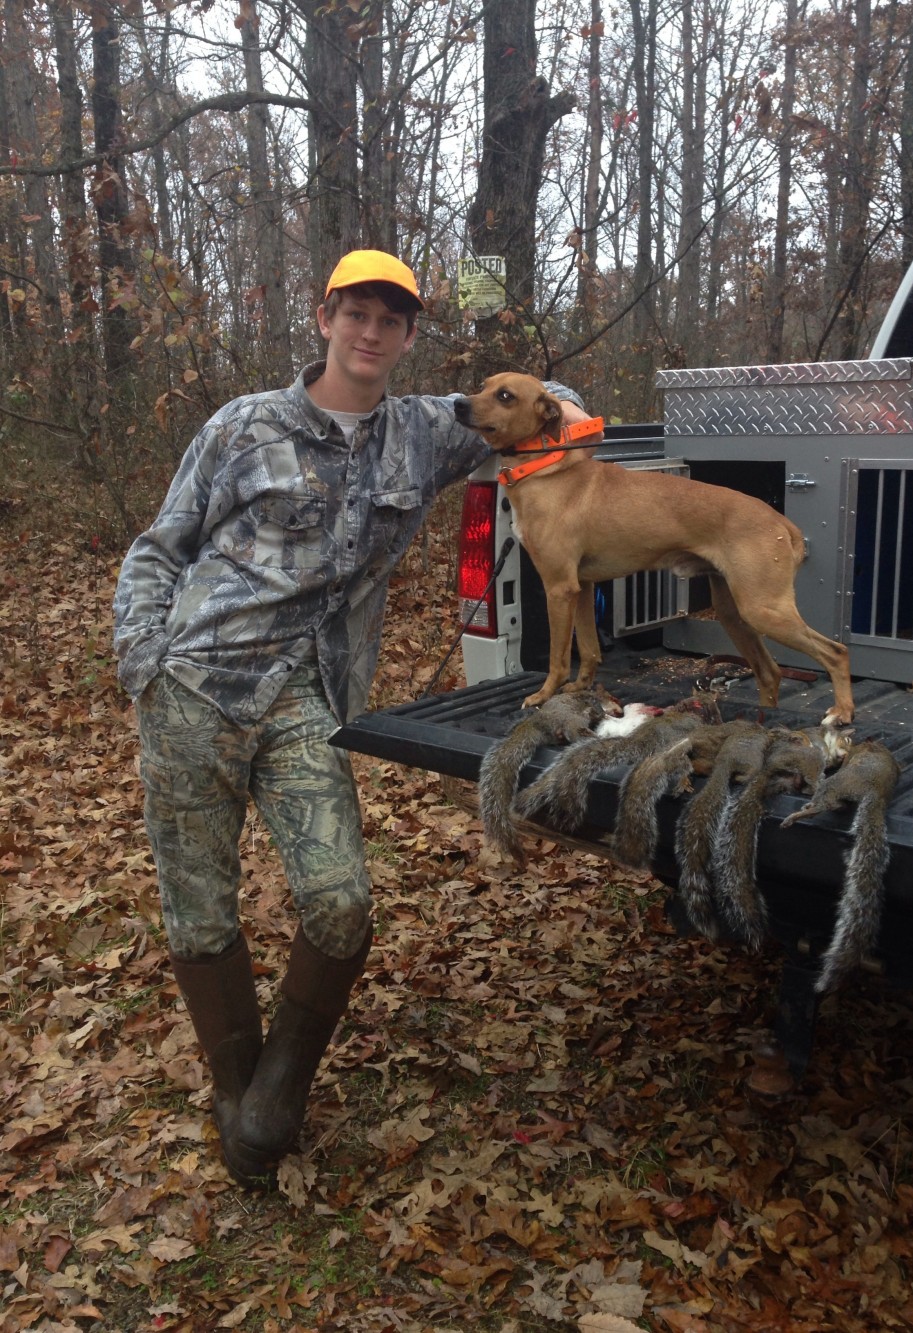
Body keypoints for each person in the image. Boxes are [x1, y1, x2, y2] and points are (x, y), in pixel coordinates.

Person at [112, 249, 594, 1187]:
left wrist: (558, 412)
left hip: (306, 696)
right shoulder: (245, 425)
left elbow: (554, 399)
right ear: (324, 316)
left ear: (410, 338)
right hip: (196, 686)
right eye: (356, 313)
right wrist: (144, 662)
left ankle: (281, 1082)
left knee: (340, 902)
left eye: (392, 320)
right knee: (199, 906)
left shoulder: (427, 433)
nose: (371, 333)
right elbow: (158, 547)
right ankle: (238, 1092)